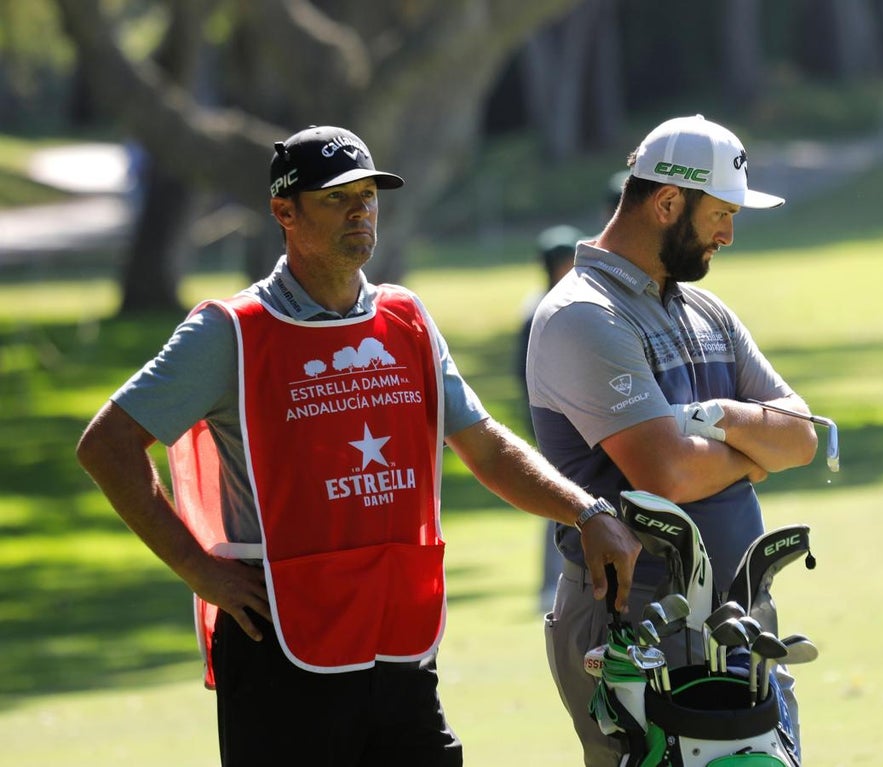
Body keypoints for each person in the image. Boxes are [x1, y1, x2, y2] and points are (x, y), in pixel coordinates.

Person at [76, 125, 641, 767]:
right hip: (278, 638)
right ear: (284, 212)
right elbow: (108, 446)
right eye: (336, 197)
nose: (359, 211)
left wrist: (586, 511)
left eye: (368, 196)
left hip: (398, 637)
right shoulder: (228, 333)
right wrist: (196, 568)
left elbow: (483, 445)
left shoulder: (407, 321)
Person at [525, 114, 819, 767]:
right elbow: (668, 475)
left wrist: (714, 417)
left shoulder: (706, 311)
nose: (730, 235)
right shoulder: (583, 314)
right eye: (720, 214)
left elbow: (802, 437)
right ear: (666, 202)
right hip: (635, 620)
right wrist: (750, 453)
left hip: (739, 613)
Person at [515, 225, 582, 612]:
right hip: (555, 424)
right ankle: (549, 587)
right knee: (558, 504)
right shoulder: (541, 311)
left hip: (575, 421)